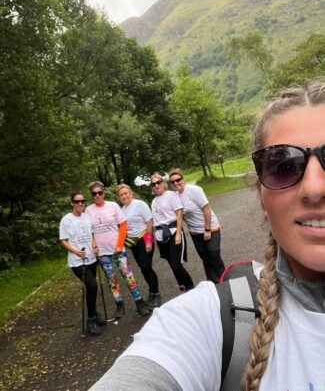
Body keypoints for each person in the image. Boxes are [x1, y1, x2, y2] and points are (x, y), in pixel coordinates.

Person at [88, 79, 325, 390]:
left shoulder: (192, 191)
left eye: (170, 182)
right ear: (261, 196)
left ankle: (215, 281)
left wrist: (202, 229)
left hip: (200, 232)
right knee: (193, 264)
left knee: (212, 259)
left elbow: (198, 211)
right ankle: (218, 287)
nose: (314, 188)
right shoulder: (203, 322)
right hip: (169, 238)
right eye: (282, 166)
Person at [85, 181, 149, 318]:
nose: (97, 195)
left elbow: (123, 225)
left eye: (99, 193)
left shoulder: (112, 206)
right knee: (111, 279)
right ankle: (119, 304)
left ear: (103, 193)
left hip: (117, 249)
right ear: (91, 195)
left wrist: (120, 245)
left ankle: (139, 302)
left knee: (128, 276)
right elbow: (89, 231)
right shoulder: (88, 210)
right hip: (102, 253)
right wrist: (93, 245)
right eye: (94, 193)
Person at [168, 168, 225, 283]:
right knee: (205, 258)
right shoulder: (174, 196)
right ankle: (213, 283)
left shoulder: (194, 190)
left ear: (183, 179)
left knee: (214, 256)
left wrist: (207, 230)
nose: (175, 183)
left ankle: (225, 281)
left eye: (178, 180)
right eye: (172, 182)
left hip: (210, 228)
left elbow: (207, 209)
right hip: (195, 233)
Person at [59, 192, 103, 336]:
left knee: (92, 288)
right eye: (76, 202)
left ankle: (94, 313)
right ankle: (90, 320)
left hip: (91, 257)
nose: (80, 204)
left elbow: (91, 235)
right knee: (92, 285)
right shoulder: (66, 220)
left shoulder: (87, 217)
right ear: (72, 203)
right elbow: (63, 240)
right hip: (77, 261)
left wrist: (95, 247)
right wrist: (76, 251)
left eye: (82, 201)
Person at [117, 184, 162, 310]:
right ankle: (152, 293)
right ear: (119, 197)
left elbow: (149, 222)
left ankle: (156, 295)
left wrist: (148, 242)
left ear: (131, 193)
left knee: (146, 267)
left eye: (126, 193)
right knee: (143, 268)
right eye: (121, 195)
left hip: (144, 239)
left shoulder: (140, 204)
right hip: (133, 243)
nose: (124, 196)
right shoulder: (122, 210)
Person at [150, 173, 194, 294]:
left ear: (163, 183)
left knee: (176, 265)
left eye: (158, 182)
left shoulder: (171, 195)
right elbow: (155, 221)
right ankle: (182, 288)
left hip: (174, 232)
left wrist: (179, 234)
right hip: (161, 236)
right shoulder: (153, 201)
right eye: (153, 184)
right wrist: (157, 241)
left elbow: (179, 214)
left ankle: (191, 288)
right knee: (171, 265)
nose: (156, 185)